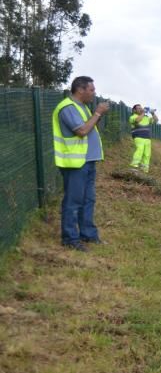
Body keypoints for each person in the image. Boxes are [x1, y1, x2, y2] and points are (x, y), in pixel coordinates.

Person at [52, 76, 110, 251]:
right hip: (75, 163)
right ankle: (70, 238)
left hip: (88, 161)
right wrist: (98, 113)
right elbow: (82, 131)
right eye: (91, 90)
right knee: (73, 201)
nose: (94, 93)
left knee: (88, 200)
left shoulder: (82, 107)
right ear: (80, 90)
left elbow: (89, 126)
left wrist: (96, 116)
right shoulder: (68, 108)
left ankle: (88, 234)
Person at [128, 104, 157, 172]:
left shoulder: (146, 117)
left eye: (141, 108)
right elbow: (137, 120)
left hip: (147, 138)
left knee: (147, 154)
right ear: (134, 110)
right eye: (138, 108)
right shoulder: (133, 117)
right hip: (138, 137)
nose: (140, 109)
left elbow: (156, 120)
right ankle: (134, 165)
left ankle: (144, 169)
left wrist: (152, 113)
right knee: (140, 150)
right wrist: (144, 112)